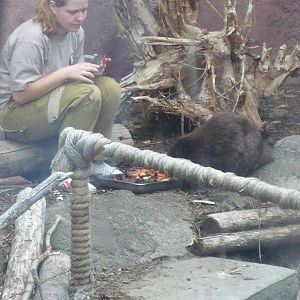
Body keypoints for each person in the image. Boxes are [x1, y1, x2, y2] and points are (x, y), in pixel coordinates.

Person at [0, 0, 122, 182]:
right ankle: (64, 172)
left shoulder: (76, 32)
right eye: (73, 12)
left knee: (109, 88)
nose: (80, 18)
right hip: (11, 117)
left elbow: (74, 82)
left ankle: (96, 160)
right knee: (88, 95)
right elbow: (20, 95)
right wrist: (65, 73)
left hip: (49, 104)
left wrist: (91, 72)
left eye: (84, 10)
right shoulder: (31, 38)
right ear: (53, 7)